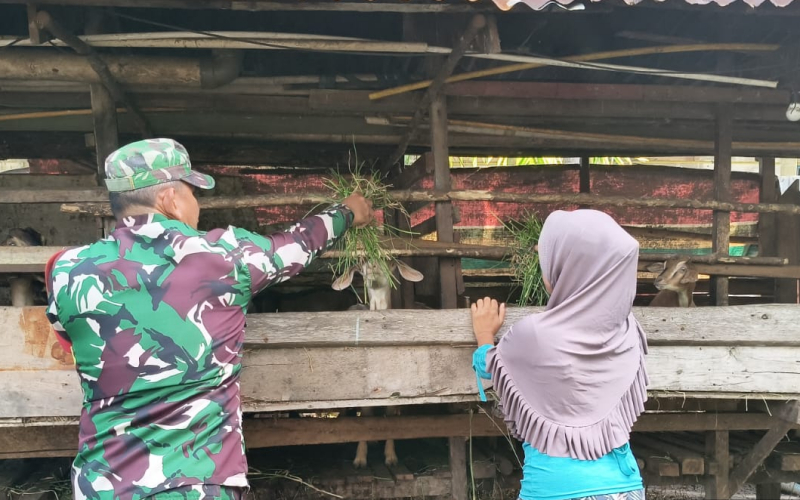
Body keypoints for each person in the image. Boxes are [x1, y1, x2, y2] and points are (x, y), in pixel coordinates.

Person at [44, 138, 374, 500]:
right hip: (198, 484)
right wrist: (348, 211)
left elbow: (69, 339)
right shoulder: (225, 256)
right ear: (170, 198)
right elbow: (298, 244)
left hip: (103, 485)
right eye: (192, 192)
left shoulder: (65, 269)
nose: (197, 205)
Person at [470, 209, 648, 500]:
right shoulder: (628, 331)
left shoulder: (534, 336)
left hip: (556, 490)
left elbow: (489, 364)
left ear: (571, 268)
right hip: (625, 489)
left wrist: (484, 335)